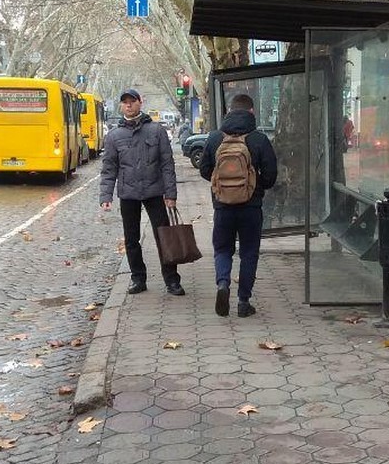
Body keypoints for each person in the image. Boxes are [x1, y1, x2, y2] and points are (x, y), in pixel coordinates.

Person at [100, 88, 185, 296]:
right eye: (125, 102)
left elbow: (167, 164)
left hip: (154, 192)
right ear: (121, 106)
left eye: (132, 101)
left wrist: (170, 195)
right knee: (131, 239)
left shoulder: (156, 131)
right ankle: (138, 278)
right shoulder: (114, 136)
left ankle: (172, 280)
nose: (128, 105)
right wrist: (106, 195)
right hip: (128, 194)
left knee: (163, 236)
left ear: (140, 102)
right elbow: (109, 168)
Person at [199, 93, 277, 317]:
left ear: (229, 112)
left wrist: (221, 184)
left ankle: (223, 284)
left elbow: (204, 169)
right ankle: (243, 302)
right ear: (251, 112)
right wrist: (254, 186)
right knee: (249, 252)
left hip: (222, 206)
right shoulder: (259, 139)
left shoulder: (215, 138)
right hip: (251, 208)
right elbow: (271, 176)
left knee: (222, 249)